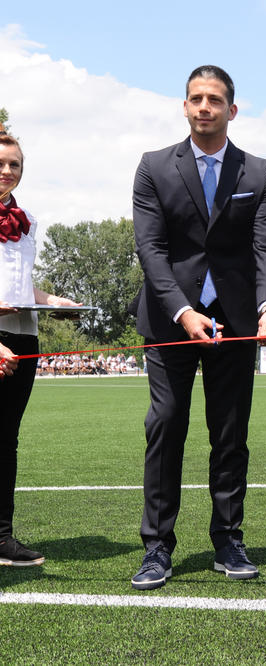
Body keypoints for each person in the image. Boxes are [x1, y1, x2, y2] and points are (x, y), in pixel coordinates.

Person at [129, 65, 266, 590]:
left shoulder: (259, 173)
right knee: (166, 425)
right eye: (195, 98)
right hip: (170, 321)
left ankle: (227, 539)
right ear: (184, 106)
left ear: (231, 110)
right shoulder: (153, 167)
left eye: (214, 100)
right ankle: (157, 547)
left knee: (230, 434)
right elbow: (150, 249)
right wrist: (182, 311)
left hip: (238, 322)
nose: (203, 107)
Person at [0, 130, 80, 566]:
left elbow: (21, 288)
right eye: (0, 164)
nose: (8, 171)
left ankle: (1, 537)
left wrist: (57, 303)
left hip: (23, 338)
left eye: (15, 164)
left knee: (5, 441)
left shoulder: (27, 217)